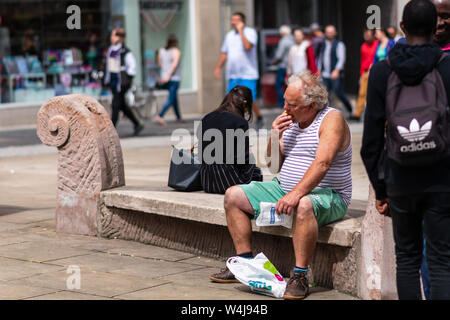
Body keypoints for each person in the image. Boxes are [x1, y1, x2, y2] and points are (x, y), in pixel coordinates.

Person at [210, 71, 352, 300]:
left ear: (311, 105)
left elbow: (323, 163)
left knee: (304, 205)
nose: (285, 108)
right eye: (285, 100)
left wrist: (296, 194)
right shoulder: (292, 121)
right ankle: (246, 263)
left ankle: (300, 276)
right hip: (284, 188)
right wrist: (274, 135)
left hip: (328, 194)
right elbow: (273, 165)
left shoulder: (331, 119)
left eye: (292, 104)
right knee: (233, 195)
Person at [361, 0, 450, 300]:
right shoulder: (447, 67)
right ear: (435, 27)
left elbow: (371, 141)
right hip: (442, 179)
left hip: (400, 179)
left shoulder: (381, 71)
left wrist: (381, 188)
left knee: (408, 260)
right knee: (440, 261)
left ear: (402, 28)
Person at [198, 85, 263, 194]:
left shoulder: (207, 118)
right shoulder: (239, 122)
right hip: (228, 183)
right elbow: (243, 159)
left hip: (207, 181)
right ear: (245, 104)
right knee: (256, 172)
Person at [214, 12, 264, 129]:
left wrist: (241, 31)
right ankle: (234, 123)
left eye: (236, 20)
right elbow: (224, 53)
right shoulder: (229, 35)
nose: (234, 22)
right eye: (232, 20)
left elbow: (247, 46)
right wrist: (218, 67)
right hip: (233, 74)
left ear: (242, 21)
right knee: (231, 100)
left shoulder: (250, 33)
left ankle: (259, 116)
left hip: (248, 74)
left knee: (250, 99)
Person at [104, 28, 144, 135]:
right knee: (121, 105)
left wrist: (128, 79)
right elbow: (109, 67)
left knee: (115, 104)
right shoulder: (111, 50)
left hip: (122, 83)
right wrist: (106, 80)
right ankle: (137, 123)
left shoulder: (125, 51)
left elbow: (132, 67)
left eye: (115, 35)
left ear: (121, 38)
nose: (112, 38)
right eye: (112, 35)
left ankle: (110, 130)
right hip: (113, 81)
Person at [317, 25, 354, 117]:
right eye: (328, 32)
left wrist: (337, 70)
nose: (329, 34)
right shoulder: (323, 44)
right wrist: (319, 69)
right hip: (325, 74)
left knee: (338, 92)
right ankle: (326, 114)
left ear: (335, 33)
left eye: (331, 32)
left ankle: (350, 109)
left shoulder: (339, 44)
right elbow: (320, 58)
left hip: (335, 73)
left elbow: (341, 59)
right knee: (325, 95)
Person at [350, 29, 379, 121]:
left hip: (375, 71)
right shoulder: (363, 46)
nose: (366, 36)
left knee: (375, 93)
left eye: (368, 35)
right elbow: (362, 61)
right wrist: (361, 73)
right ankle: (357, 114)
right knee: (362, 93)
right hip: (365, 72)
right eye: (365, 35)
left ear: (373, 35)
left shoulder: (377, 44)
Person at [154, 34, 183, 126]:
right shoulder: (176, 51)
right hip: (173, 78)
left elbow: (159, 64)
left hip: (164, 77)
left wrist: (164, 75)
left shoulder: (161, 51)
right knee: (171, 98)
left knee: (174, 98)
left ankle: (178, 117)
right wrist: (169, 76)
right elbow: (175, 65)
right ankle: (160, 115)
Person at [272, 25, 295, 108]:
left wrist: (273, 62)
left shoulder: (283, 41)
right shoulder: (293, 40)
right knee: (289, 85)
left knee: (279, 85)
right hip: (292, 67)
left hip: (283, 66)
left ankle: (282, 103)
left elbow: (279, 56)